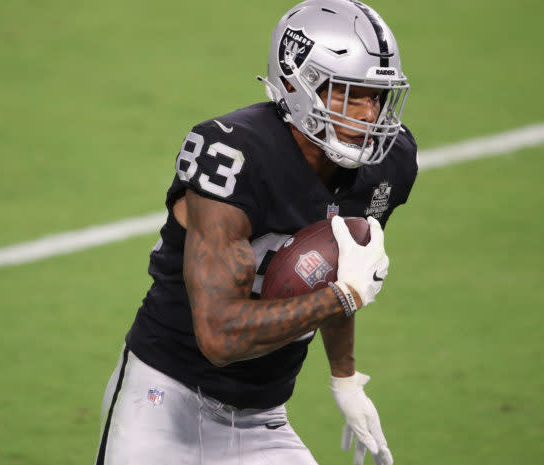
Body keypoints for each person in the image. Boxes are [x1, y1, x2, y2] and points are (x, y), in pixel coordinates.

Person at [94, 0, 417, 464]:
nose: (369, 116)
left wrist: (344, 376)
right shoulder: (234, 153)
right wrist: (342, 297)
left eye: (377, 96)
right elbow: (220, 337)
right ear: (294, 83)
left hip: (262, 418)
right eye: (349, 94)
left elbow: (336, 263)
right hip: (163, 401)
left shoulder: (389, 163)